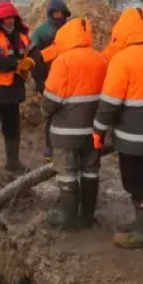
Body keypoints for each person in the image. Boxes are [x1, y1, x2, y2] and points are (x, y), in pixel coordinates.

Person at [93, 7, 143, 251]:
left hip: (132, 138)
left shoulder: (122, 60)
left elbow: (109, 104)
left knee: (136, 182)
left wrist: (98, 131)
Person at [40, 17, 108, 231]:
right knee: (90, 171)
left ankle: (69, 219)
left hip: (65, 132)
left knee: (67, 173)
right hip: (94, 131)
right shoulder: (101, 59)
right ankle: (87, 216)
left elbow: (51, 101)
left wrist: (45, 111)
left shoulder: (63, 61)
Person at [0, 1, 34, 179]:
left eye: (12, 17)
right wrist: (16, 64)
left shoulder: (23, 35)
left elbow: (35, 53)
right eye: (5, 18)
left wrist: (31, 61)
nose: (9, 21)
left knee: (12, 126)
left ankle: (13, 162)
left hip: (14, 89)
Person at [29, 0, 71, 160]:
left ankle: (66, 145)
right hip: (48, 78)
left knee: (69, 112)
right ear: (50, 14)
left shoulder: (70, 29)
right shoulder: (41, 32)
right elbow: (33, 56)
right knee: (51, 112)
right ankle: (49, 146)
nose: (58, 16)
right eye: (55, 13)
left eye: (61, 13)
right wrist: (39, 79)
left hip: (69, 78)